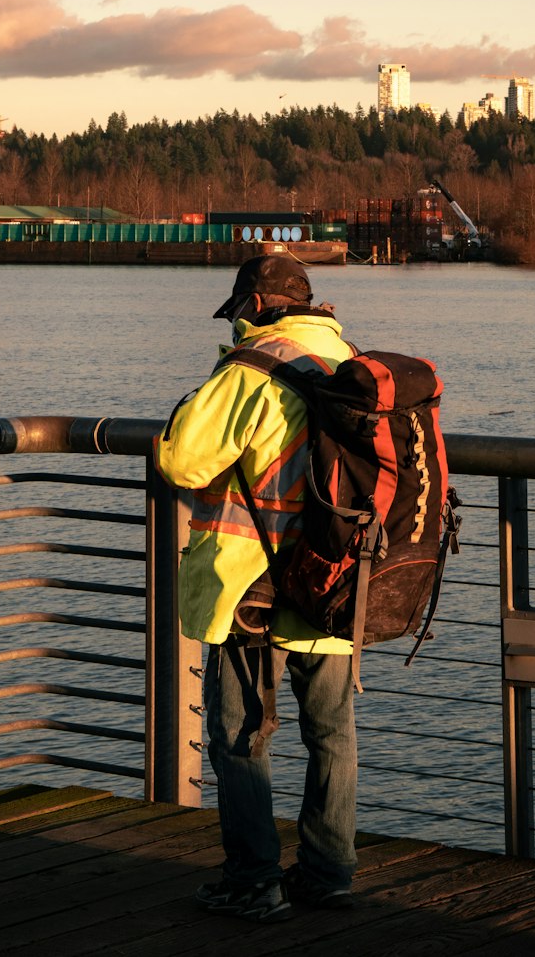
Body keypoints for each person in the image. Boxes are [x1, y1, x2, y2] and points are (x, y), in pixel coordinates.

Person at [156, 252, 358, 923]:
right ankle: (328, 874)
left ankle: (253, 880)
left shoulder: (250, 370)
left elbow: (181, 460)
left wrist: (190, 403)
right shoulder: (346, 362)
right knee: (330, 729)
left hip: (255, 585)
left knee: (242, 734)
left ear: (259, 306)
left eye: (240, 310)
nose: (238, 322)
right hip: (333, 579)